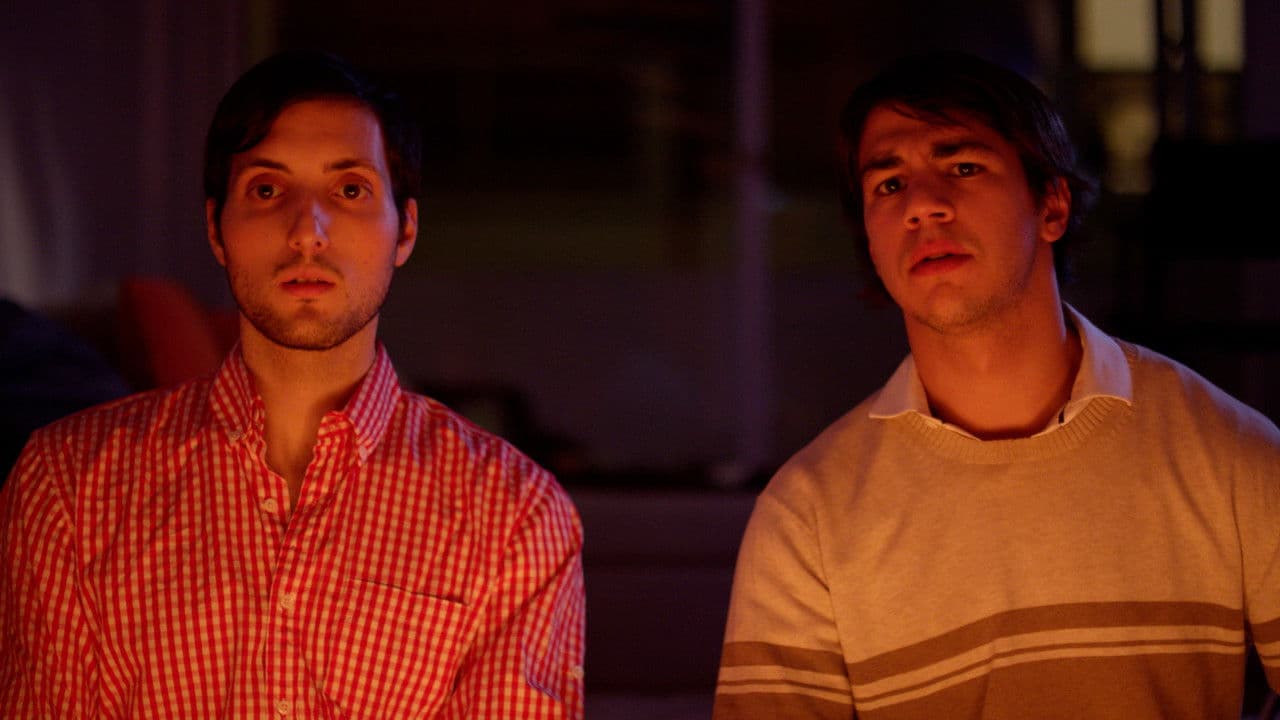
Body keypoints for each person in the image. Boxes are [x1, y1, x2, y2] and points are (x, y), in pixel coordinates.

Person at [0, 50, 585, 718]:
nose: (308, 232)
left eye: (350, 191)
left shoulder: (512, 512)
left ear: (405, 230)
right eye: (267, 190)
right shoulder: (71, 482)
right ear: (216, 229)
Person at [713, 51, 1279, 718]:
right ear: (869, 238)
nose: (923, 204)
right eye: (889, 185)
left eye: (963, 167)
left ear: (1052, 205)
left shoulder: (1230, 457)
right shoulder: (808, 518)